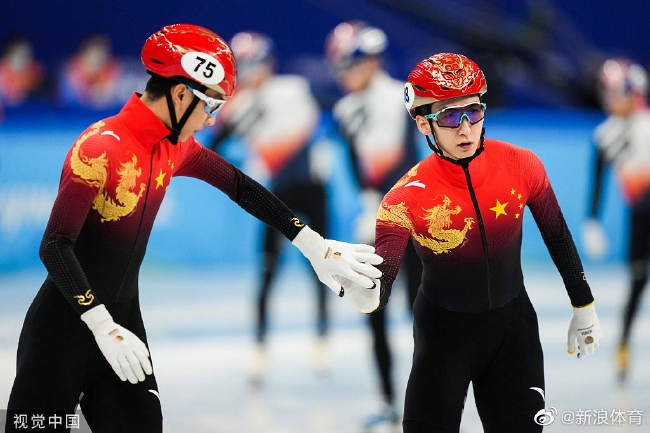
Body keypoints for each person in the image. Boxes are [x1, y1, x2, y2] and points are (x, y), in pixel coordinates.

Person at [4, 24, 383, 433]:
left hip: (123, 328)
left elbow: (239, 186)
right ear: (181, 95)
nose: (210, 119)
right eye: (211, 104)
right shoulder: (99, 147)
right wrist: (100, 324)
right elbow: (54, 246)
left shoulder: (177, 145)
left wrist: (315, 246)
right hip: (63, 333)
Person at [336, 52, 603, 432]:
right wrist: (365, 292)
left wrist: (584, 305)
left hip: (514, 335)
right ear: (422, 123)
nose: (465, 129)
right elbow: (386, 276)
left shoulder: (522, 165)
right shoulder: (403, 197)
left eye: (473, 112)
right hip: (443, 342)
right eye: (449, 117)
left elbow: (557, 235)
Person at [207, 31, 331, 382]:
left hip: (312, 188)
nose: (253, 72)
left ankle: (322, 341)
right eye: (245, 66)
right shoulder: (237, 105)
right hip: (276, 195)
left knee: (321, 267)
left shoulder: (294, 87)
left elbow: (336, 111)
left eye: (256, 64)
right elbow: (213, 146)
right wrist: (239, 169)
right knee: (267, 270)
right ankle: (260, 350)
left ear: (270, 63)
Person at [324, 21, 423, 430]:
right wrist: (369, 201)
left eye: (350, 65)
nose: (344, 75)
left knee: (421, 311)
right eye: (339, 67)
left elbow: (412, 157)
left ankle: (428, 398)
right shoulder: (344, 110)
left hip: (415, 217)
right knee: (373, 309)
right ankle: (387, 400)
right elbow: (356, 165)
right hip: (377, 220)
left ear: (371, 60)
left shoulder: (404, 96)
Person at [582, 58, 650, 383]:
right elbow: (597, 182)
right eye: (608, 94)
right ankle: (623, 343)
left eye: (618, 94)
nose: (613, 101)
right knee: (637, 281)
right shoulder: (604, 135)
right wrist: (592, 221)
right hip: (638, 215)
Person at [57, 34, 124, 110]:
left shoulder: (112, 68)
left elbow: (113, 97)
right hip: (73, 114)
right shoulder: (71, 69)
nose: (98, 58)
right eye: (94, 54)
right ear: (85, 54)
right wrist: (90, 94)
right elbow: (67, 98)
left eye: (103, 54)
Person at [0, 34, 45, 108]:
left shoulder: (33, 73)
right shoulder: (1, 72)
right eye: (19, 55)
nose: (23, 60)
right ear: (7, 55)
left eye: (27, 55)